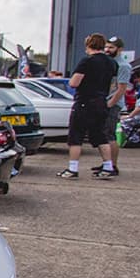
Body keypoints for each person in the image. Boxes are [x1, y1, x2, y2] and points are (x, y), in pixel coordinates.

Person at [58, 33, 117, 180]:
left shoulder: (87, 61)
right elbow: (113, 84)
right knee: (100, 135)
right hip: (101, 101)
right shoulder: (111, 63)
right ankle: (108, 166)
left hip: (85, 101)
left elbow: (74, 83)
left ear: (88, 45)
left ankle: (73, 168)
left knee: (76, 136)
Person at [96, 37, 132, 176]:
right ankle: (106, 163)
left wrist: (110, 104)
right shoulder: (108, 63)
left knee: (109, 134)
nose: (107, 50)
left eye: (111, 47)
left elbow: (121, 89)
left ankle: (113, 166)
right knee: (103, 135)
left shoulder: (123, 66)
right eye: (106, 47)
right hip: (104, 101)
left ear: (119, 49)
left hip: (113, 104)